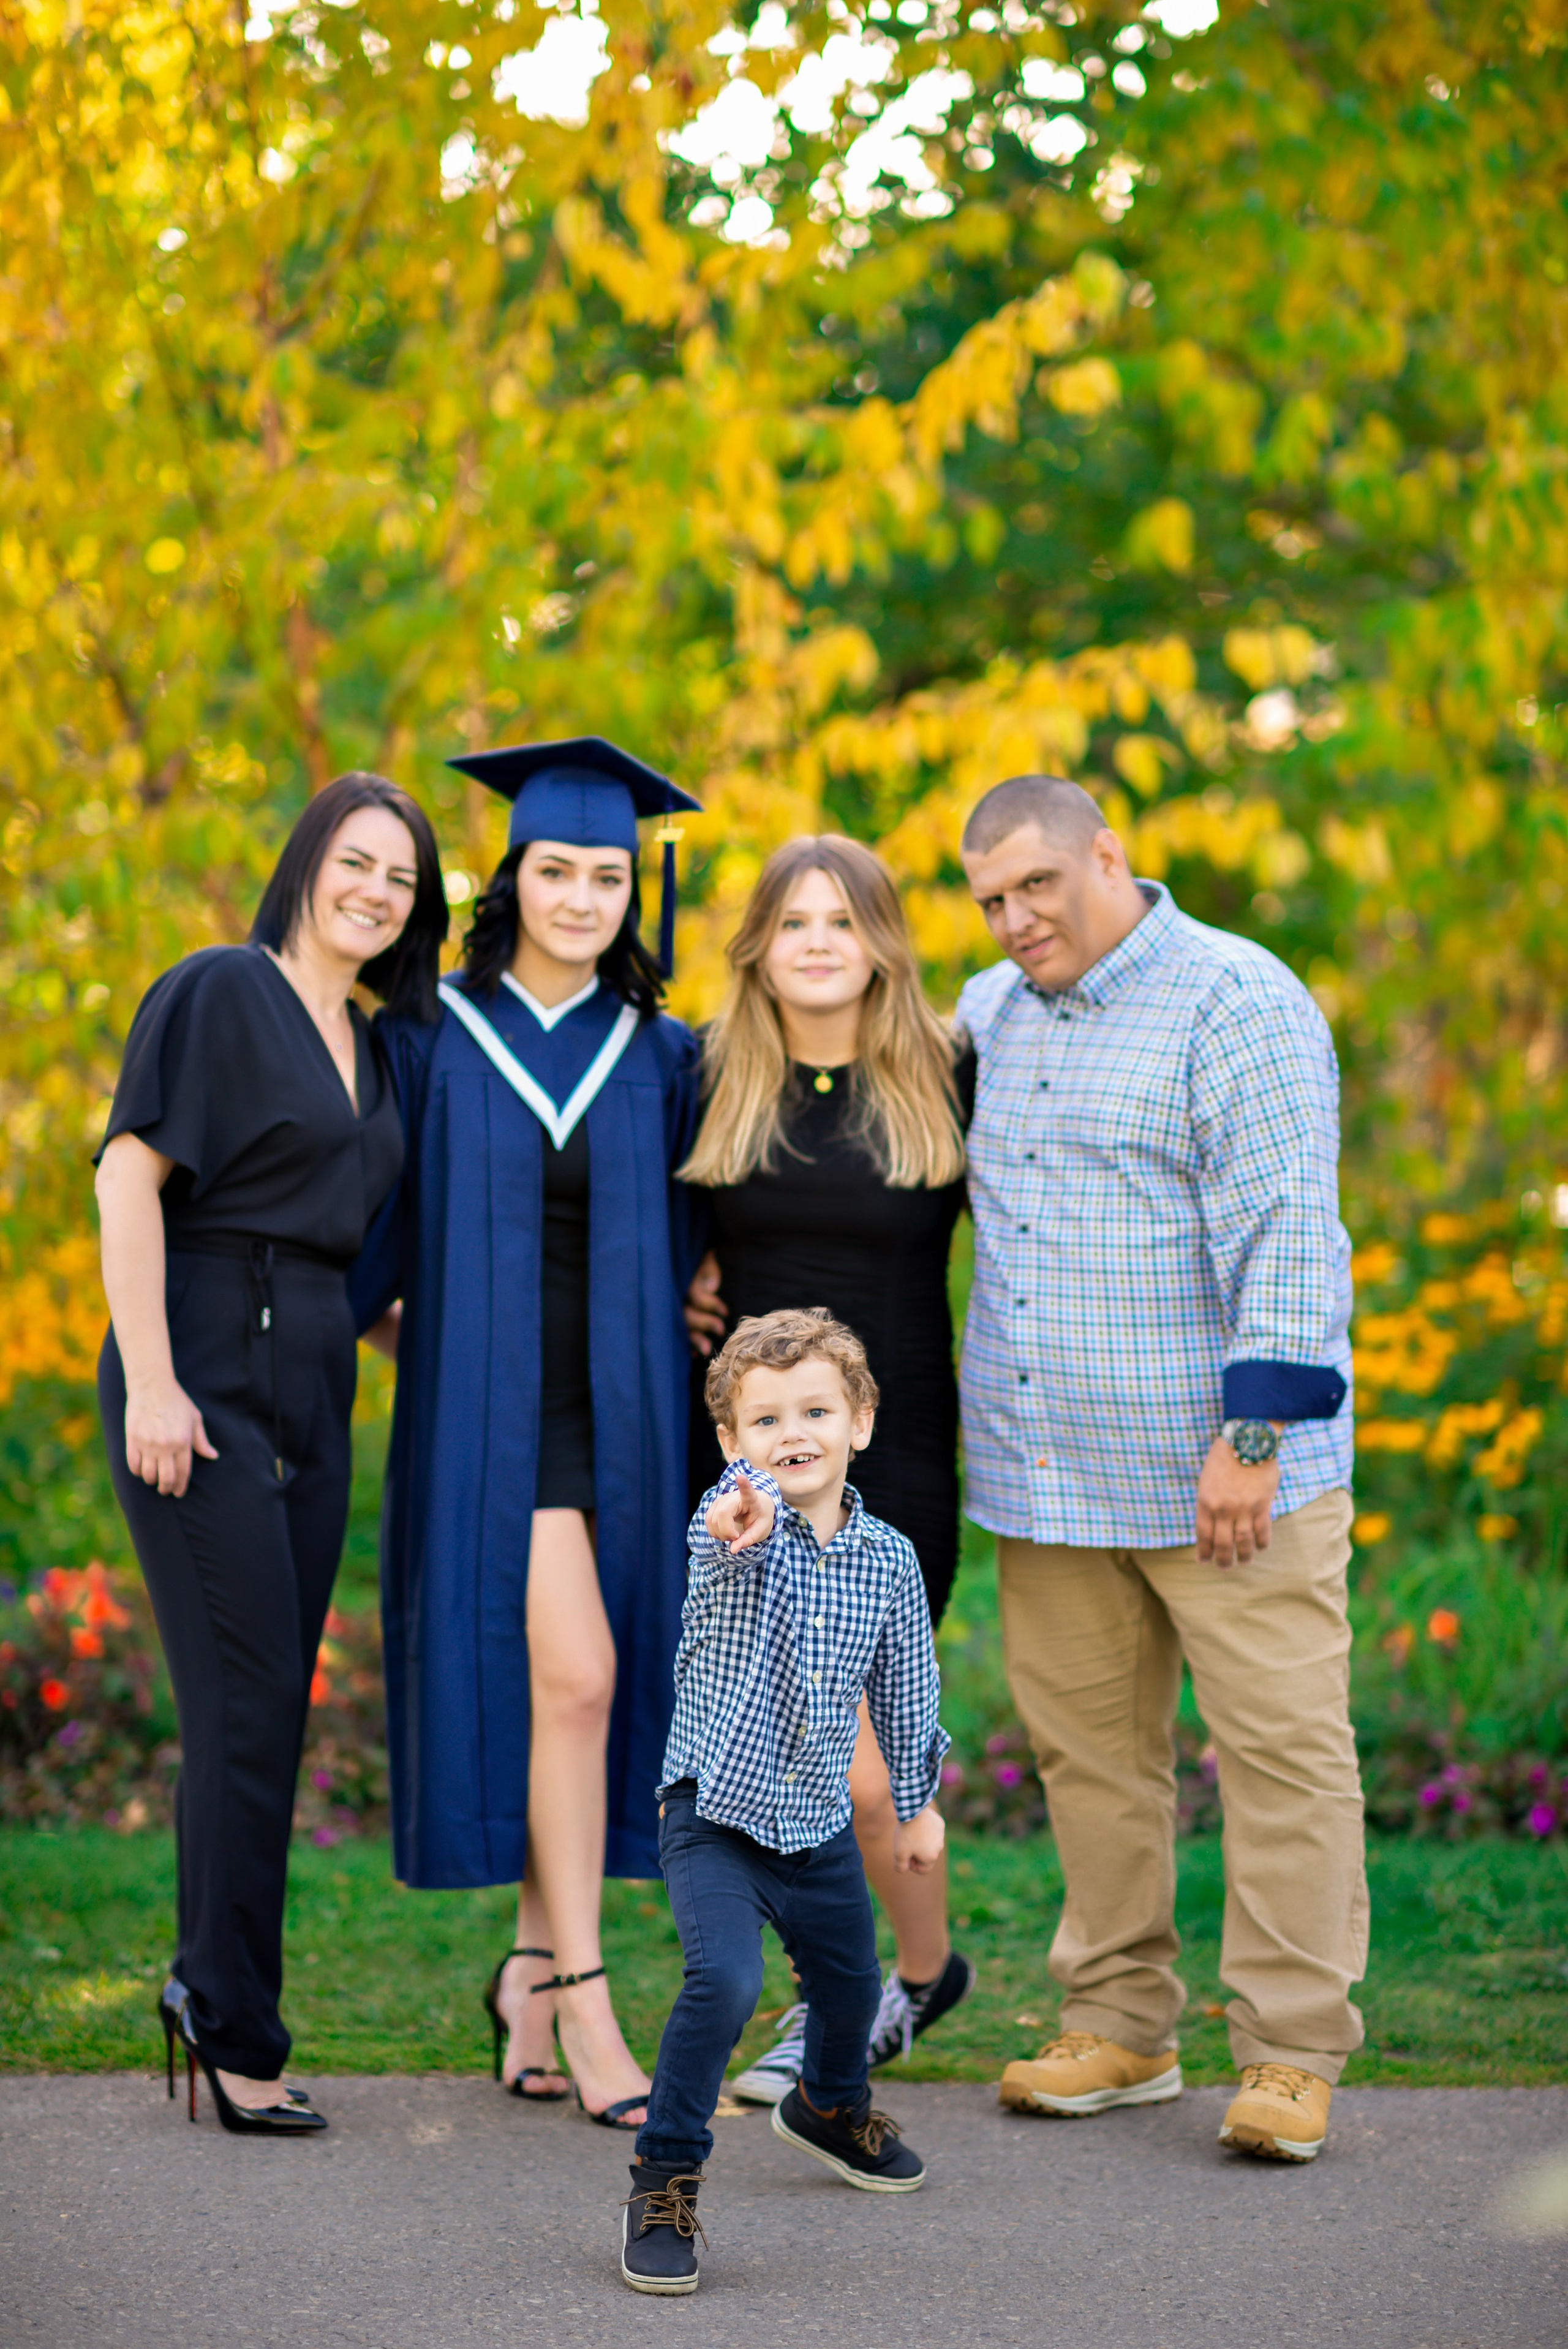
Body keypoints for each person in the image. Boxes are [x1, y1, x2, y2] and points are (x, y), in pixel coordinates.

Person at [956, 772, 1359, 2164]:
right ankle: (1119, 2023)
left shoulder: (1232, 997)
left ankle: (1292, 2050)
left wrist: (1252, 1438)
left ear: (1104, 857)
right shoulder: (985, 1016)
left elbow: (1291, 1233)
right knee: (1090, 1763)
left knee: (1279, 1757)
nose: (1013, 920)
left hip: (1223, 1483)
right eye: (990, 899)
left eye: (1034, 887)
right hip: (1045, 1481)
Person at [350, 737, 703, 2132]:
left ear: (633, 888)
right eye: (553, 870)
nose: (580, 896)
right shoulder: (428, 1036)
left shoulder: (665, 1054)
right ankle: (585, 1995)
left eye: (606, 875)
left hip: (628, 1422)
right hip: (498, 1424)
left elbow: (700, 1239)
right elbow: (365, 1245)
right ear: (509, 879)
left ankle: (522, 1969)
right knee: (577, 1678)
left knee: (589, 1691)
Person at [95, 771, 447, 2134]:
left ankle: (210, 1988)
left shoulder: (369, 1039)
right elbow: (128, 1176)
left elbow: (340, 1245)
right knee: (243, 1710)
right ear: (306, 861)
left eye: (401, 880)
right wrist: (157, 1387)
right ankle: (228, 2018)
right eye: (355, 861)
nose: (374, 890)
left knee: (272, 1713)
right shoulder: (218, 989)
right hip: (197, 1378)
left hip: (310, 1383)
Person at [679, 835, 974, 2101]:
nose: (814, 942)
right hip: (762, 1459)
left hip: (894, 1453)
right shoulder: (709, 1076)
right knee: (813, 1751)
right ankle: (869, 1993)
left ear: (879, 944)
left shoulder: (946, 1070)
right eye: (791, 920)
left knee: (869, 1759)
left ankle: (896, 1978)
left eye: (840, 921)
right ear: (756, 945)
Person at [621, 1308, 948, 2296]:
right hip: (712, 1817)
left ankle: (831, 2109)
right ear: (731, 1443)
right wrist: (738, 1517)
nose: (793, 1433)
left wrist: (921, 1803)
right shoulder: (729, 1529)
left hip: (814, 1829)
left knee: (850, 1993)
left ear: (862, 1421)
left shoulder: (889, 1561)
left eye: (816, 1410)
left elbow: (905, 1693)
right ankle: (664, 2177)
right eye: (765, 1421)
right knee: (721, 1983)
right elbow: (728, 1538)